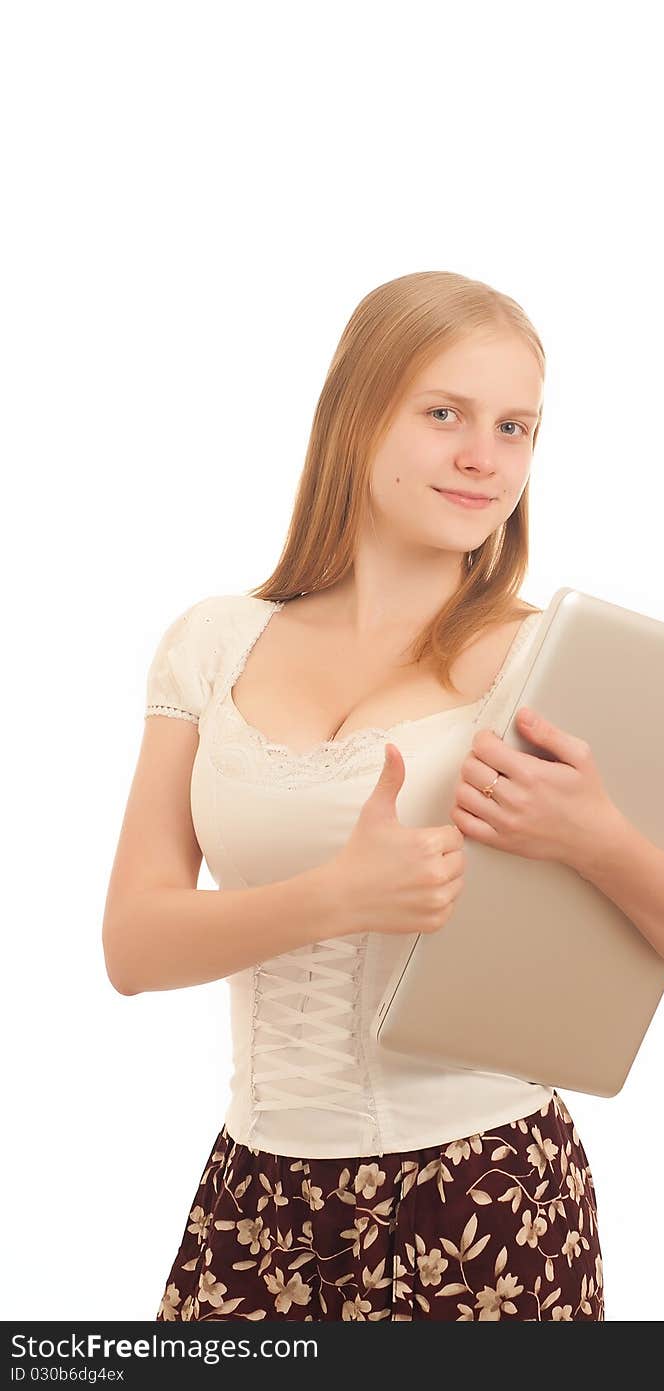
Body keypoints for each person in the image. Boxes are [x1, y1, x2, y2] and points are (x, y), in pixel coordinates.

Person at [102, 269, 605, 1321]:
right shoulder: (212, 642)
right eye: (444, 413)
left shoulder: (547, 663)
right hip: (254, 1191)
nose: (484, 455)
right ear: (354, 417)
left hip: (485, 1197)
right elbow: (134, 947)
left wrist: (597, 837)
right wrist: (338, 893)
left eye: (514, 426)